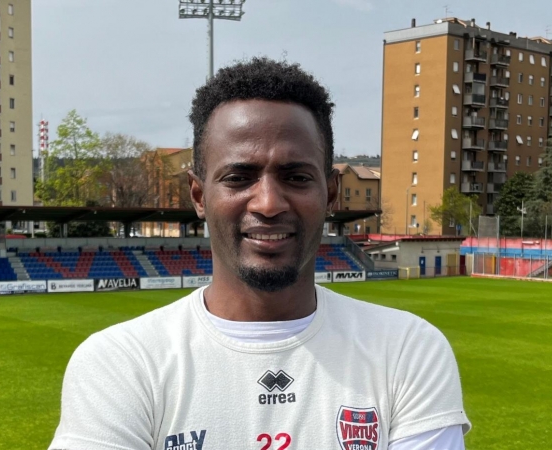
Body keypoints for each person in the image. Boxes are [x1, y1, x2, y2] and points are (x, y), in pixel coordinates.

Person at [49, 57, 470, 450]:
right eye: (238, 177)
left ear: (332, 194)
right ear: (199, 195)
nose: (268, 203)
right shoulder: (118, 363)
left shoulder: (407, 350)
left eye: (296, 177)